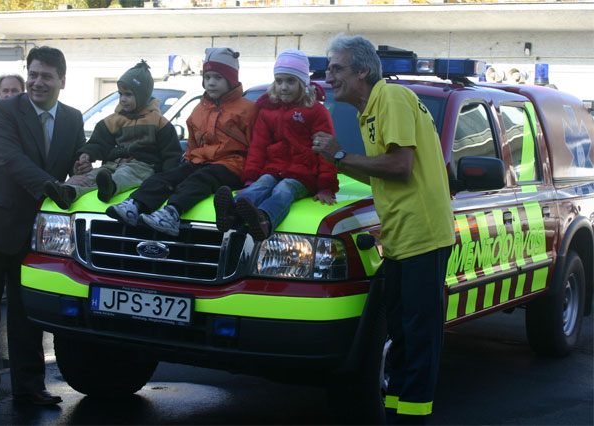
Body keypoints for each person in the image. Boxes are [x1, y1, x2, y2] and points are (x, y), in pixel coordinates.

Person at [312, 35, 455, 425]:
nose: (330, 75)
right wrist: (337, 160)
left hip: (422, 236)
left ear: (363, 70)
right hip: (399, 239)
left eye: (337, 68)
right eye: (329, 68)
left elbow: (400, 167)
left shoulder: (389, 98)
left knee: (418, 342)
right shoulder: (369, 109)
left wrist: (339, 154)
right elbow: (379, 169)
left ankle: (411, 420)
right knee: (404, 342)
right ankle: (398, 416)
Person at [0, 46, 90, 411]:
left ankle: (29, 386)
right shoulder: (0, 111)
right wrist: (57, 187)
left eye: (46, 76)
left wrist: (84, 162)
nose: (36, 82)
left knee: (27, 312)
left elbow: (80, 157)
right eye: (33, 74)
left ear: (62, 81)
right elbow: (9, 159)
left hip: (33, 232)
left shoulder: (72, 117)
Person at [107, 47, 258, 236]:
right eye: (208, 77)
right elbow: (194, 142)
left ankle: (173, 212)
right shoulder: (199, 108)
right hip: (201, 162)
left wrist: (251, 177)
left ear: (231, 79)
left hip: (231, 166)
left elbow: (256, 145)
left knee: (200, 179)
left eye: (218, 78)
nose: (211, 82)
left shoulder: (248, 109)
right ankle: (136, 204)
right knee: (167, 177)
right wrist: (188, 161)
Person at [213, 49, 338, 241]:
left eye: (290, 81)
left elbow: (326, 151)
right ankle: (230, 211)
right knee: (261, 184)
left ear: (303, 83)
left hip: (305, 173)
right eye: (279, 81)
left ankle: (264, 219)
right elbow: (258, 146)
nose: (284, 87)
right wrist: (250, 178)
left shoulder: (316, 111)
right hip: (274, 169)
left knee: (284, 189)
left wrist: (325, 187)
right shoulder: (267, 110)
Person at [43, 60, 181, 209]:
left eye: (128, 94)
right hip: (112, 165)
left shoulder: (158, 122)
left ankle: (111, 188)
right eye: (120, 94)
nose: (122, 99)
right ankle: (68, 193)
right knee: (91, 177)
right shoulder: (113, 120)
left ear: (142, 96)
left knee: (124, 175)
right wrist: (87, 155)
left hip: (142, 167)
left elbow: (171, 153)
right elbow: (98, 143)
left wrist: (166, 180)